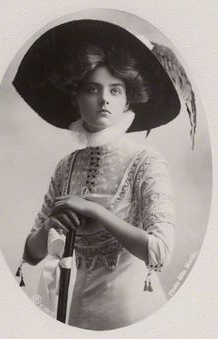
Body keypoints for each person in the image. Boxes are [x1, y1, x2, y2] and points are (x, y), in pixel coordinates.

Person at [14, 20, 196, 330]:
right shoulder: (66, 166)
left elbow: (160, 252)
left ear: (128, 98)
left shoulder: (145, 161)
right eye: (92, 89)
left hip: (133, 315)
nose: (104, 99)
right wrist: (52, 224)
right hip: (75, 315)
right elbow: (31, 254)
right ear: (76, 97)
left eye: (115, 90)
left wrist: (95, 211)